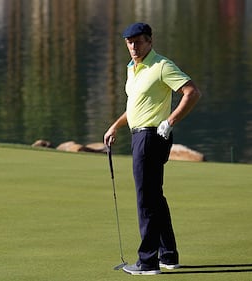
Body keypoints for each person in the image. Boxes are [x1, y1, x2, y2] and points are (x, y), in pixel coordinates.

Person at [103, 22, 201, 275]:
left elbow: (191, 92)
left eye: (138, 41)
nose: (133, 46)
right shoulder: (132, 69)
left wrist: (170, 121)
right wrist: (115, 126)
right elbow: (135, 105)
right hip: (139, 135)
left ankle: (147, 261)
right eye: (129, 42)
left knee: (146, 199)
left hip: (151, 137)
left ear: (149, 41)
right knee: (155, 197)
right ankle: (168, 255)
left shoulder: (161, 66)